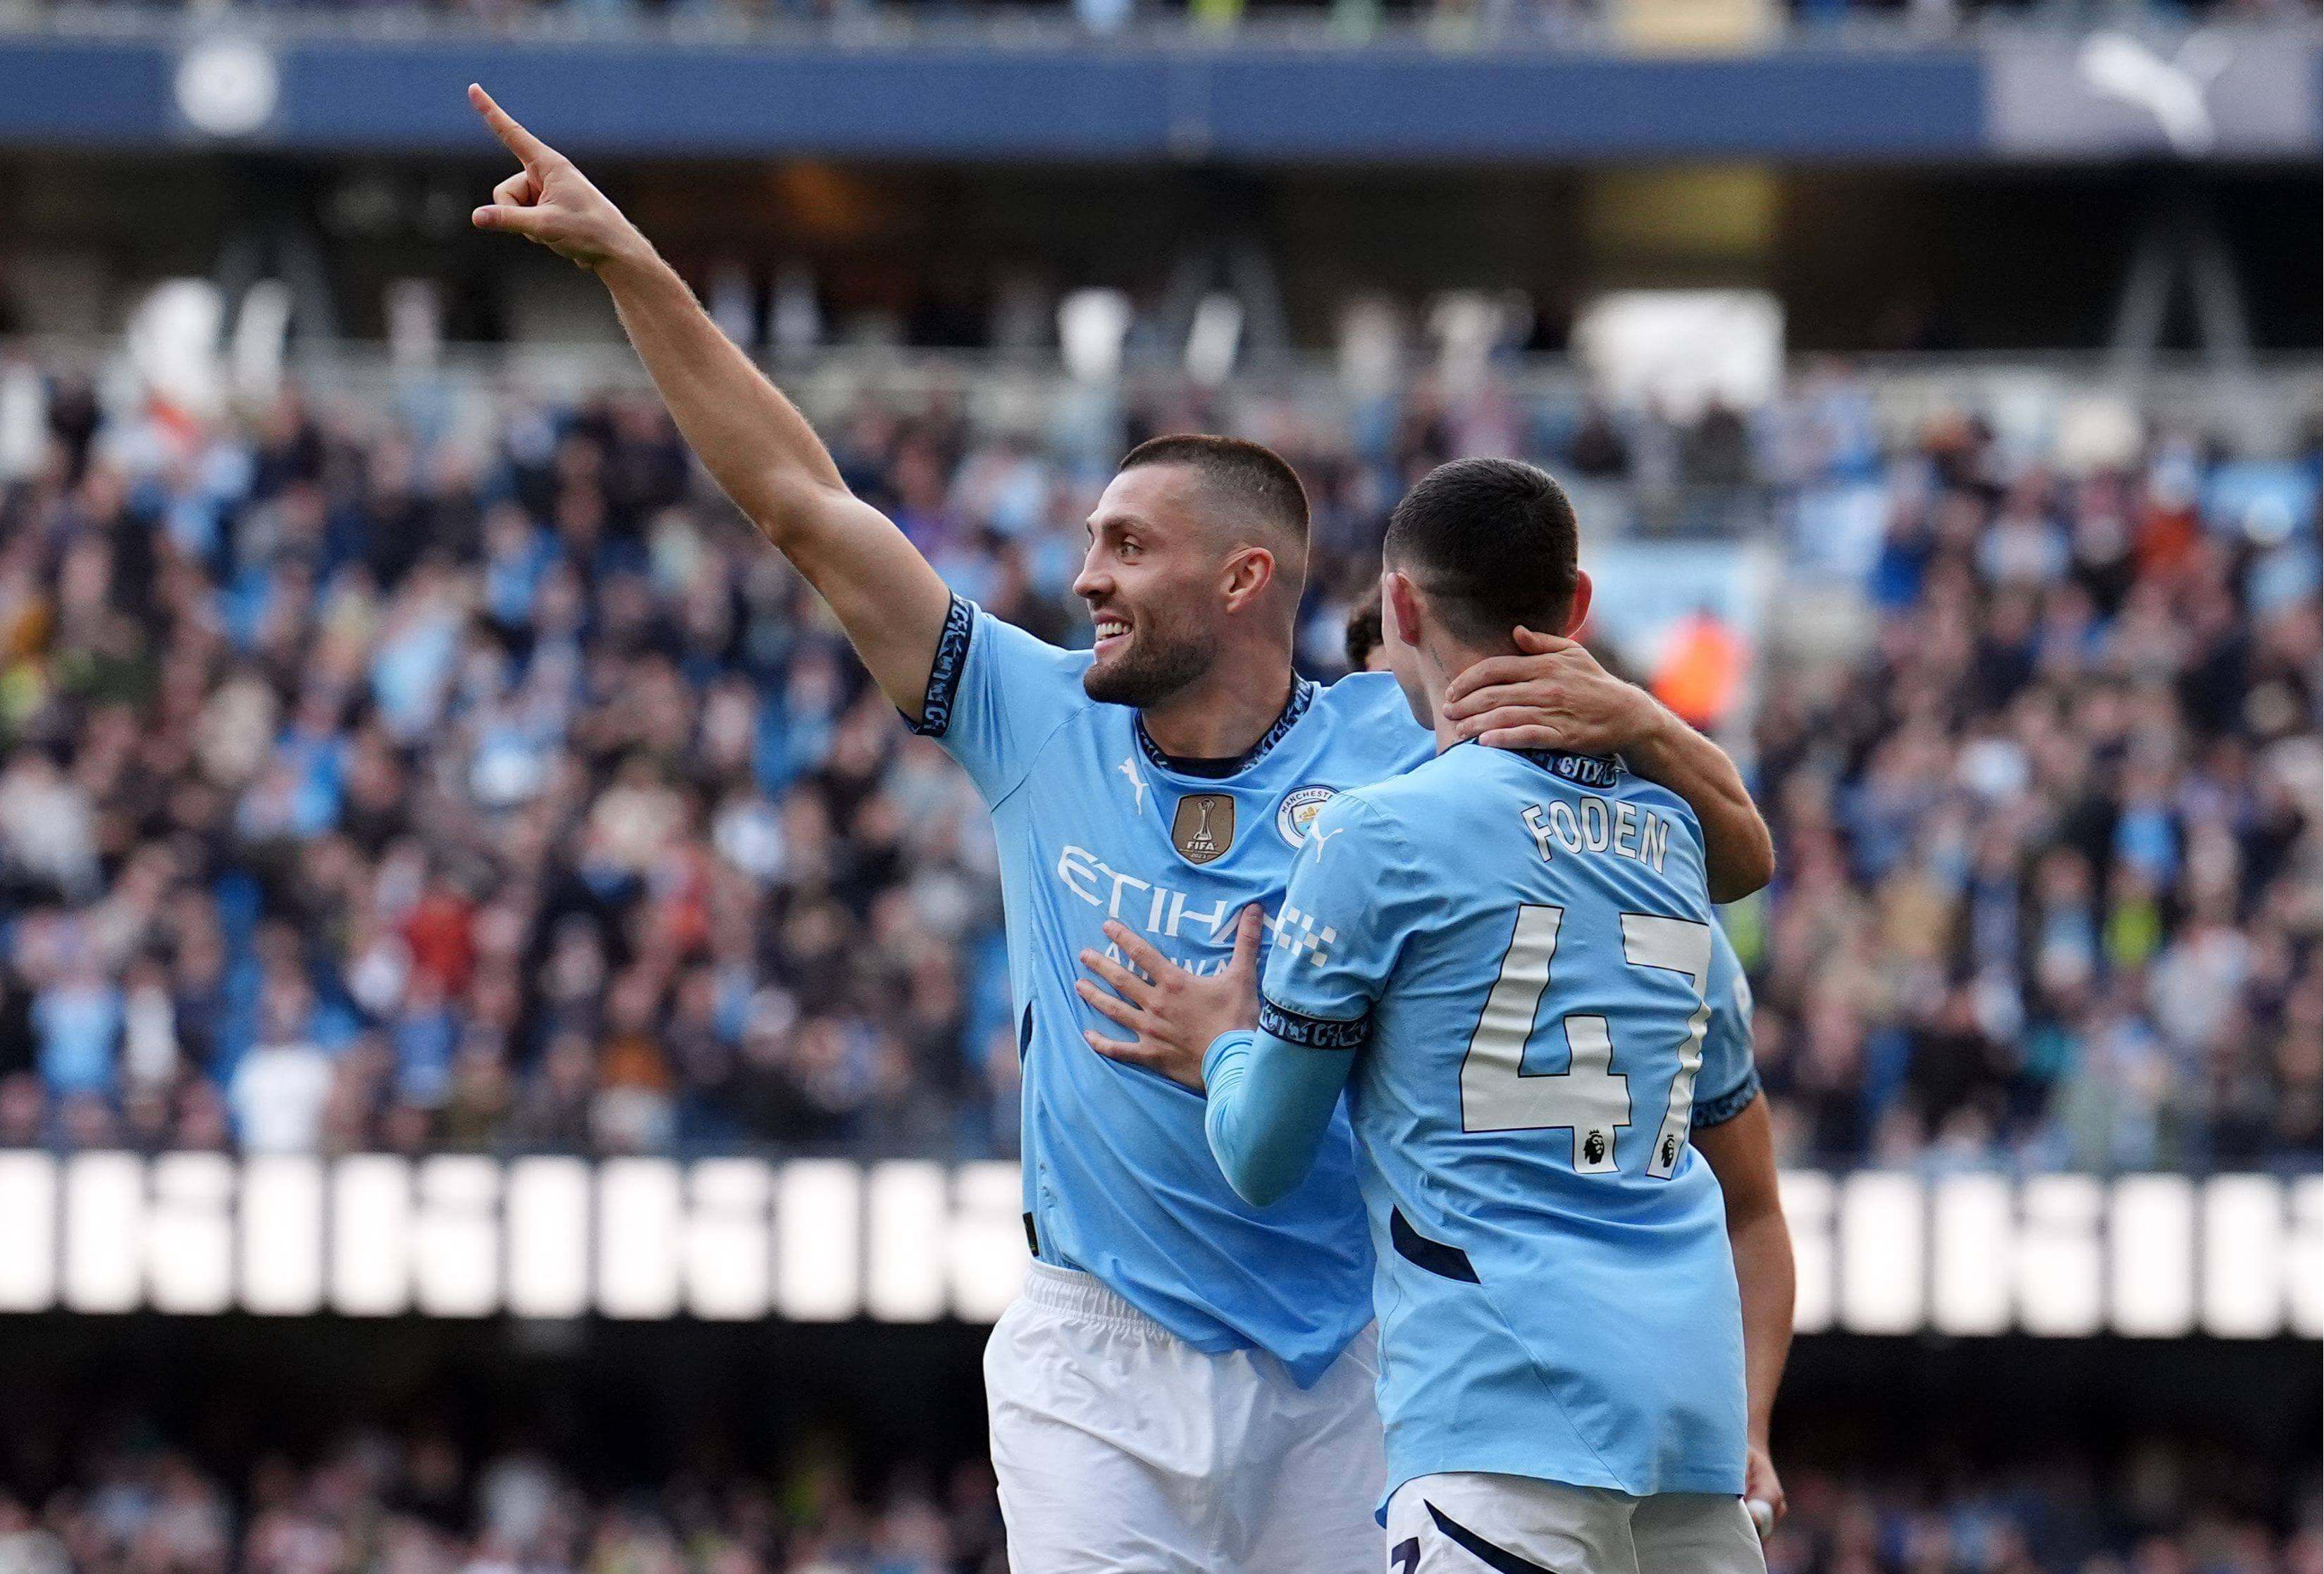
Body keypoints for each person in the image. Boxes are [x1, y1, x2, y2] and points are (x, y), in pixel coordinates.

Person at [465, 90, 1774, 1572]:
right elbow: (798, 504)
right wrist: (631, 260)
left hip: (1357, 1359)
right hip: (1099, 1355)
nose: (1083, 576)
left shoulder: (1408, 748)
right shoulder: (1026, 714)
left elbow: (1699, 850)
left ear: (1243, 581)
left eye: (1127, 545)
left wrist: (1652, 728)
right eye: (1090, 541)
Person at [1083, 459, 1791, 1572]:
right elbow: (1749, 857)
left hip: (1501, 1417)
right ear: (1576, 609)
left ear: (1400, 609)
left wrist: (1220, 1044)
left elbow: (1261, 1154)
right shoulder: (1678, 840)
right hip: (1691, 1431)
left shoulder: (1376, 835)